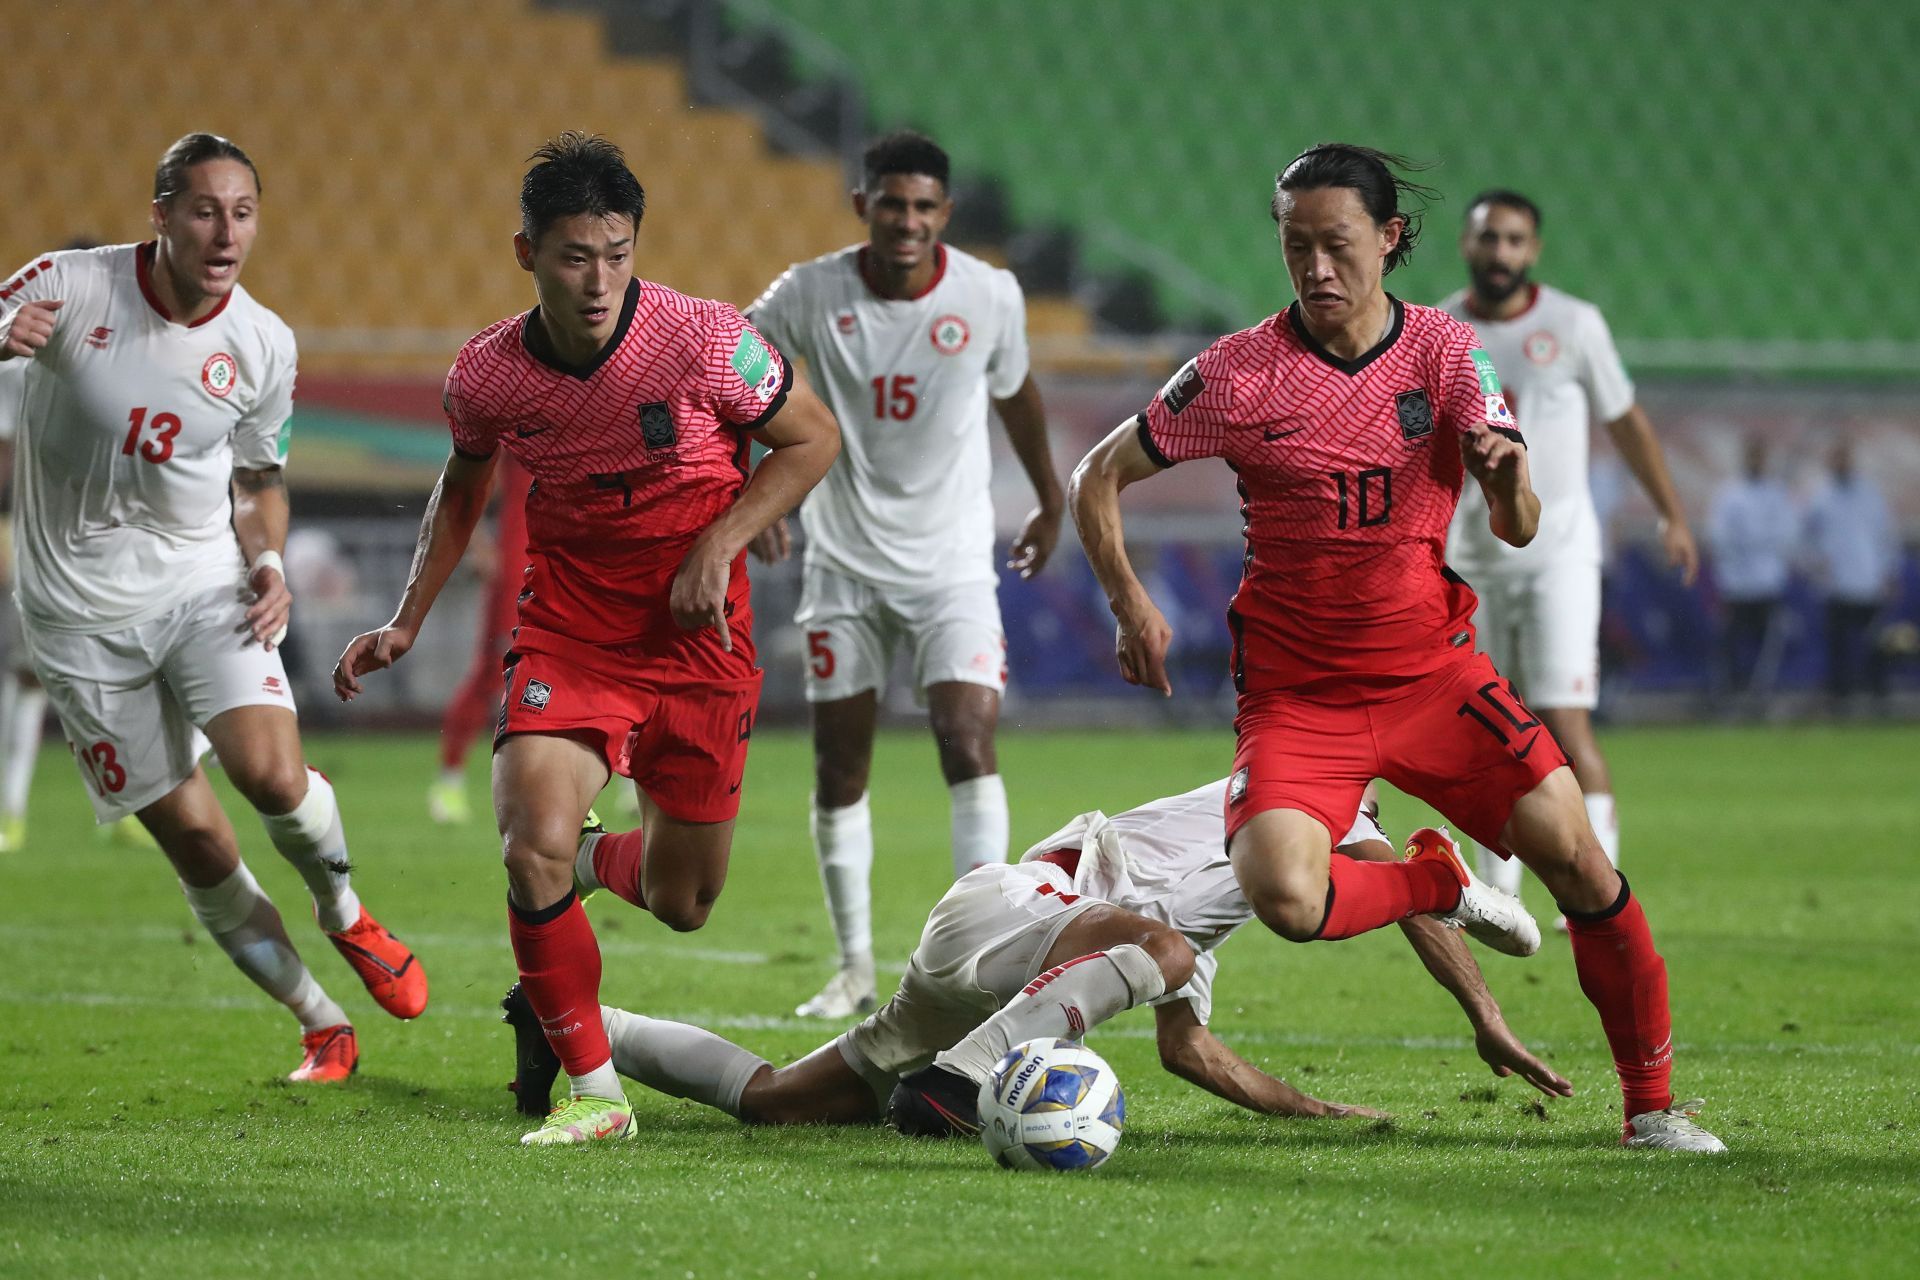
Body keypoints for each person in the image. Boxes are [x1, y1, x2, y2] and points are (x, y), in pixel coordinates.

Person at [1067, 143, 1726, 1152]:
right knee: (1285, 894)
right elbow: (1095, 477)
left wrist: (1506, 480)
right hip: (1299, 697)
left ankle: (1653, 1109)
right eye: (1297, 247)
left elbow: (1516, 523)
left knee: (1583, 865)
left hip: (1433, 675)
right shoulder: (1238, 372)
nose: (1317, 269)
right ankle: (1437, 880)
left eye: (1337, 244)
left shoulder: (1449, 355)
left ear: (1391, 237)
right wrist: (1127, 601)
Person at [333, 132, 840, 1146]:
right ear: (526, 252)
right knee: (529, 848)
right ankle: (597, 1090)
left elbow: (814, 436)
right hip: (570, 631)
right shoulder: (487, 373)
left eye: (618, 252)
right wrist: (407, 616)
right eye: (576, 255)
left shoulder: (702, 338)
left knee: (684, 897)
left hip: (701, 641)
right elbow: (465, 483)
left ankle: (593, 858)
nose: (600, 277)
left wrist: (723, 537)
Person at [0, 133, 427, 1081]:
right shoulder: (66, 285)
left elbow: (260, 476)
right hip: (75, 620)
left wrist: (268, 556)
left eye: (242, 212)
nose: (225, 232)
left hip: (201, 583)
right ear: (159, 216)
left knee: (273, 777)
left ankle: (347, 914)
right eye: (203, 210)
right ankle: (320, 1022)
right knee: (196, 838)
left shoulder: (263, 343)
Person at [503, 779, 1569, 1132]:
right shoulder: (1307, 797)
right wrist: (1484, 1011)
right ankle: (960, 1085)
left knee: (779, 1099)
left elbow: (1191, 1049)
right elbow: (1401, 890)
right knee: (1150, 943)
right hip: (1015, 911)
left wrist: (1320, 1113)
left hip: (1008, 951)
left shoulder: (1220, 898)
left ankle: (574, 1028)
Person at [747, 131, 1064, 1019]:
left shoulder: (989, 293)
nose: (908, 222)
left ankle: (983, 959)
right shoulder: (809, 292)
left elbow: (1016, 392)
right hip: (842, 564)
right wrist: (749, 488)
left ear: (945, 215)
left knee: (967, 741)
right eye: (892, 204)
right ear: (863, 206)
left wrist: (1050, 499)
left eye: (925, 207)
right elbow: (728, 372)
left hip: (953, 565)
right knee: (839, 766)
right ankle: (852, 967)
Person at [1442, 190, 1699, 915]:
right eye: (1490, 238)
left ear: (1535, 250)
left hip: (1559, 558)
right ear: (1467, 244)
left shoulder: (1575, 324)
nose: (1502, 253)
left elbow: (1625, 422)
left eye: (1515, 240)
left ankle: (1600, 890)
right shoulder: (1440, 330)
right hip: (1471, 559)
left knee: (1563, 717)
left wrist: (1672, 513)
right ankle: (1499, 895)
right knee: (1490, 723)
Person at [425, 455, 529, 825]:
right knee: (497, 673)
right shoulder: (521, 402)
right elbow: (471, 472)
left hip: (577, 556)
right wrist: (479, 542)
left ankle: (626, 782)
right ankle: (450, 781)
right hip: (521, 558)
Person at [1706, 436, 1798, 702]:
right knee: (1730, 643)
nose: (1755, 462)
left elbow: (1788, 534)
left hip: (1767, 583)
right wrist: (1750, 544)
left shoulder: (1776, 494)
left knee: (1766, 645)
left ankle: (1760, 694)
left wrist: (1760, 544)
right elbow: (1720, 536)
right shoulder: (1729, 495)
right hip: (1735, 584)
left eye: (1759, 456)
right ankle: (1730, 692)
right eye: (1751, 456)